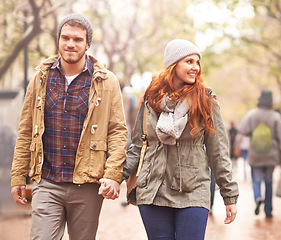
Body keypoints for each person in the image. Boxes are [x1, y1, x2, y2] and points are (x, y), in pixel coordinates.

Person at [10, 13, 127, 239]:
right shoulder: (40, 78)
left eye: (77, 39)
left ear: (88, 44)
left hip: (87, 185)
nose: (70, 44)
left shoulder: (106, 81)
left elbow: (117, 132)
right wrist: (18, 176)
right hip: (47, 181)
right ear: (58, 40)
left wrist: (113, 174)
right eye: (65, 38)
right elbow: (26, 130)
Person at [123, 39, 239, 240]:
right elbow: (138, 145)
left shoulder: (205, 101)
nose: (195, 67)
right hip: (153, 189)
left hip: (192, 189)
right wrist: (116, 177)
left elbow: (218, 152)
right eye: (189, 61)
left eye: (197, 62)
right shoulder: (151, 100)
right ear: (173, 64)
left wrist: (229, 196)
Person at [236, 89, 281, 218]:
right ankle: (268, 210)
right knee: (269, 181)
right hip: (272, 153)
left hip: (255, 153)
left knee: (256, 179)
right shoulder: (275, 116)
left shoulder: (252, 115)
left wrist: (236, 147)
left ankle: (258, 197)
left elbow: (242, 131)